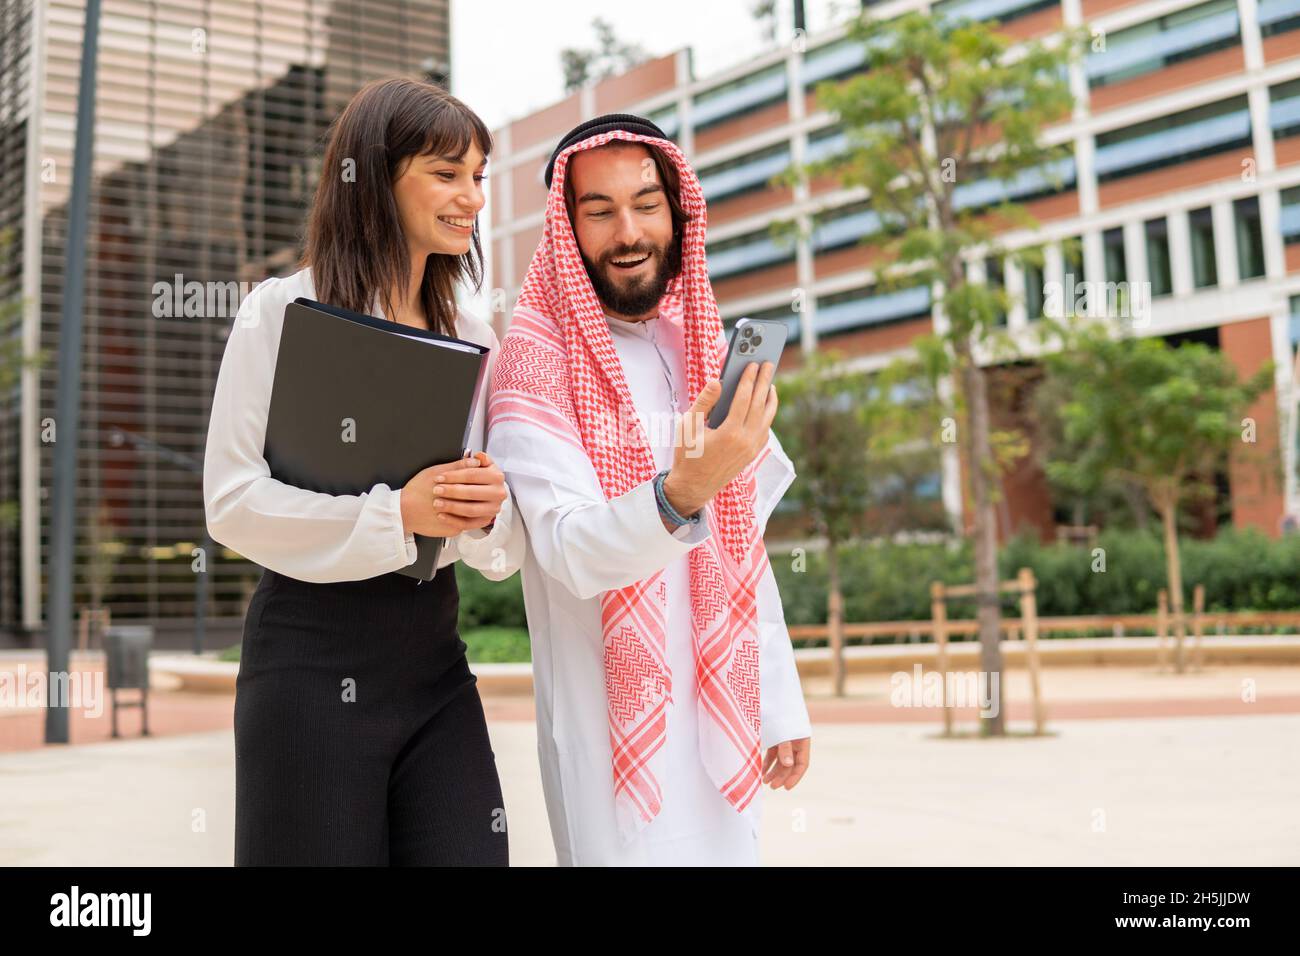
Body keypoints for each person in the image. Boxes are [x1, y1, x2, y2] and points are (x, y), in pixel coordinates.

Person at [203, 76, 525, 866]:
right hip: (308, 664)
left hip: (434, 660)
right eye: (447, 174)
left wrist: (485, 510)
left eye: (478, 176)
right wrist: (395, 516)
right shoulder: (280, 311)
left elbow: (494, 548)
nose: (472, 198)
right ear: (376, 178)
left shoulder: (476, 333)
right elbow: (232, 502)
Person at [487, 114, 812, 866]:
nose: (627, 231)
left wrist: (777, 699)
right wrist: (683, 489)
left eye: (646, 203)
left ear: (679, 211)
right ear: (566, 232)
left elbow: (743, 548)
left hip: (721, 714)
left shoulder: (697, 348)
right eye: (598, 211)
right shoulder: (533, 369)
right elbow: (569, 551)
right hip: (611, 732)